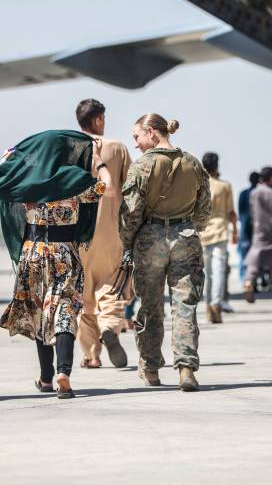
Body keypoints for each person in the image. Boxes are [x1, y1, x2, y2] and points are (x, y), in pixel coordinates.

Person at [0, 130, 110, 399]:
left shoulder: (29, 180)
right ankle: (63, 372)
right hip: (65, 252)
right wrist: (99, 161)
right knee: (64, 310)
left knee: (43, 313)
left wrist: (8, 160)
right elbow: (106, 187)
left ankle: (45, 378)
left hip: (32, 254)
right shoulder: (75, 179)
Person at [119, 113, 210, 392]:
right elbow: (204, 209)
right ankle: (186, 369)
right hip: (185, 237)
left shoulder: (142, 166)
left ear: (151, 132)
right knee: (184, 306)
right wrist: (190, 225)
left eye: (137, 136)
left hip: (150, 240)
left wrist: (127, 242)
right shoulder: (193, 163)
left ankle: (150, 368)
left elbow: (130, 213)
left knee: (150, 306)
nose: (135, 144)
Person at [74, 99, 133, 369]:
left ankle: (91, 355)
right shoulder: (118, 148)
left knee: (84, 296)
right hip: (111, 232)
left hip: (76, 234)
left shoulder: (68, 149)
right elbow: (132, 189)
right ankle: (109, 326)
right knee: (113, 287)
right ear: (98, 120)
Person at [200, 152, 237, 324]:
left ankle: (209, 306)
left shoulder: (199, 185)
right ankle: (216, 305)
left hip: (201, 232)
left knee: (207, 272)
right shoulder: (224, 186)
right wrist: (235, 231)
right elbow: (231, 213)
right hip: (221, 230)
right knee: (219, 270)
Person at [243, 166, 272, 303]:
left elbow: (251, 213)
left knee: (255, 259)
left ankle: (249, 281)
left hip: (258, 231)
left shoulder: (254, 193)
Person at [237, 171, 259, 284]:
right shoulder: (258, 193)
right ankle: (256, 280)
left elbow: (240, 213)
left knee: (243, 254)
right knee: (256, 255)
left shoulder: (243, 193)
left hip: (245, 228)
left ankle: (244, 280)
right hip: (257, 228)